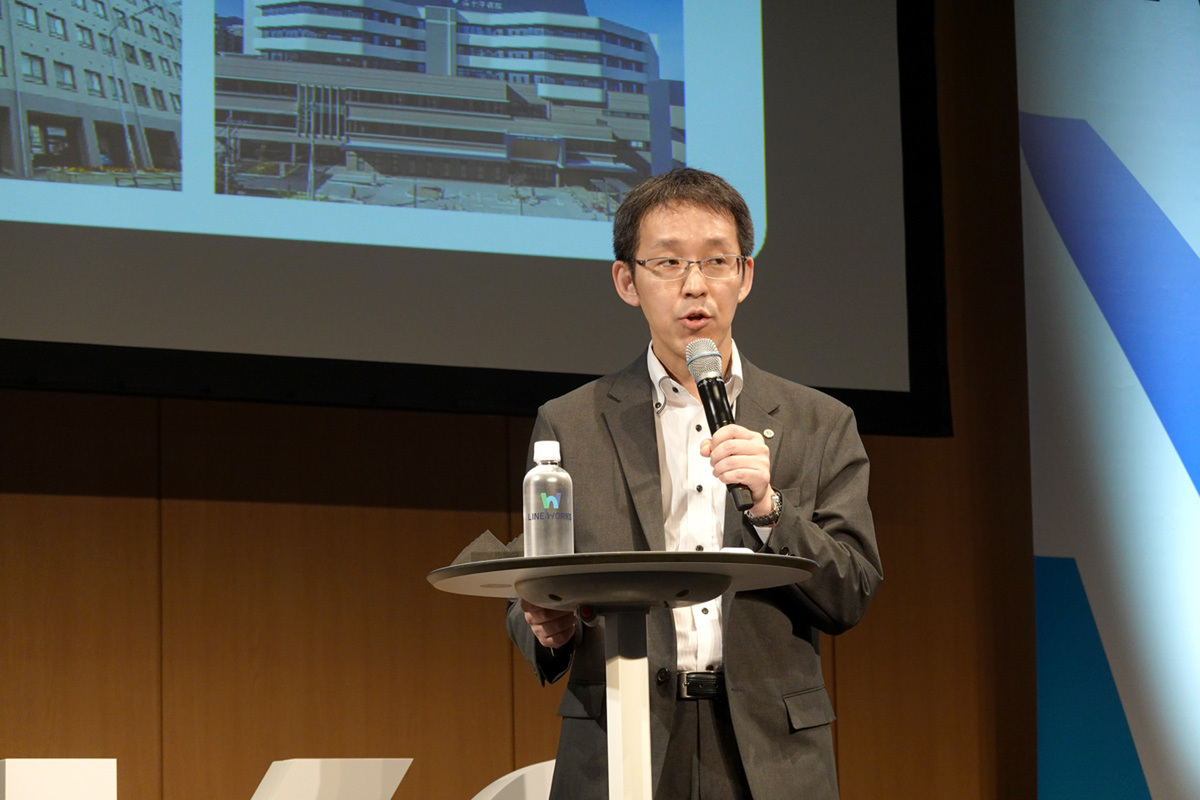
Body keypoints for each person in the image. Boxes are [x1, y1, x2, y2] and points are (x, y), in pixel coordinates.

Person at [506, 168, 882, 800]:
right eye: (668, 263)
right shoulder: (571, 422)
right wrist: (547, 628)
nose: (695, 285)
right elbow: (533, 578)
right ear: (627, 281)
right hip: (622, 738)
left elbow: (852, 592)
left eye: (716, 261)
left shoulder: (819, 422)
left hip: (770, 750)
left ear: (746, 275)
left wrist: (770, 510)